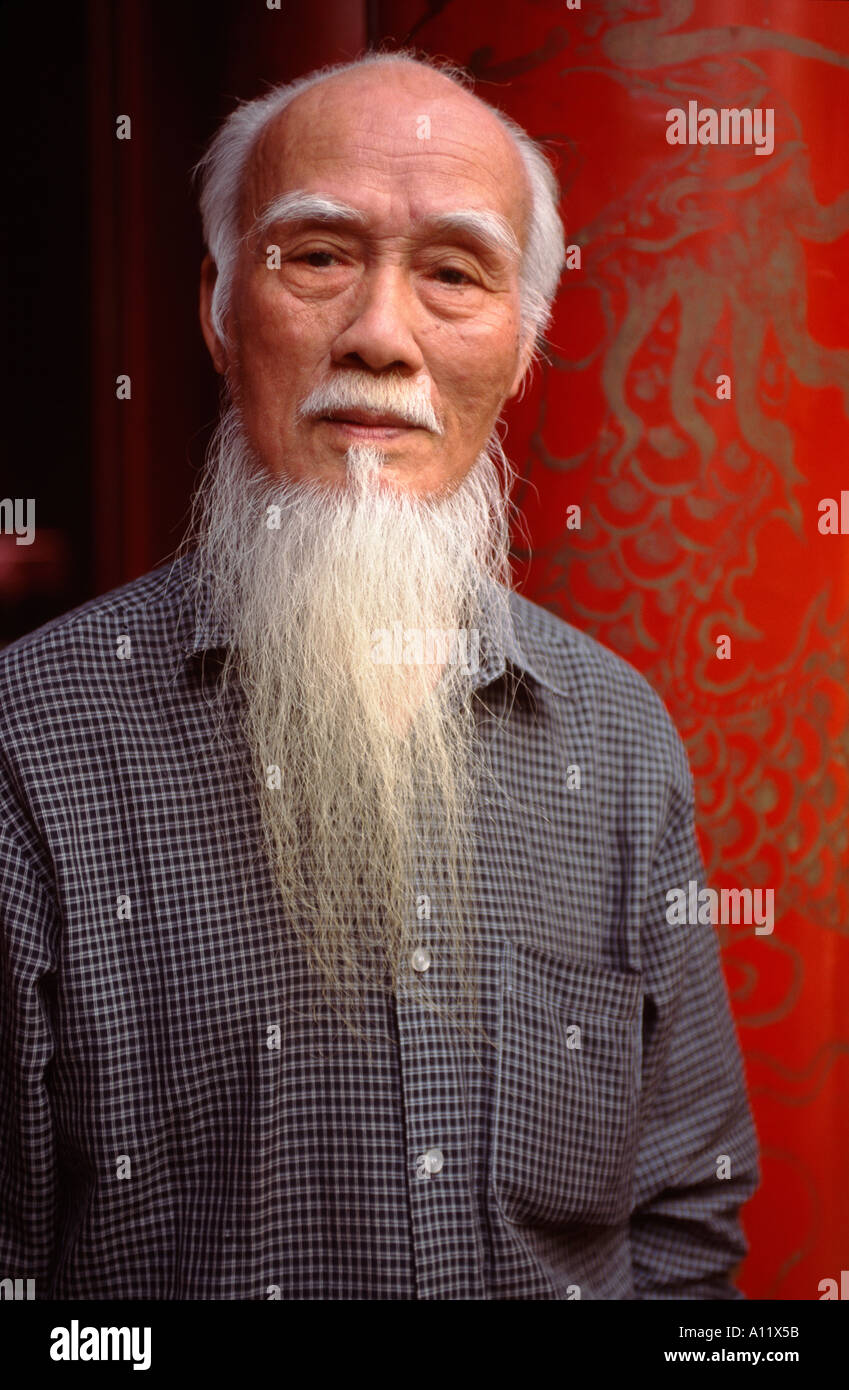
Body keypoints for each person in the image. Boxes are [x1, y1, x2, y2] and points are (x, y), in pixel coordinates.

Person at [0, 49, 759, 1300]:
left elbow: (684, 1217)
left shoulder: (621, 741)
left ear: (521, 348)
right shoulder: (33, 744)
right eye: (318, 257)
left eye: (455, 274)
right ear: (217, 310)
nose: (380, 336)